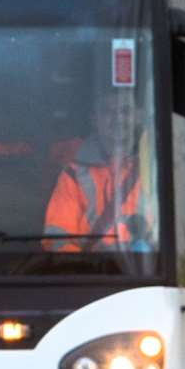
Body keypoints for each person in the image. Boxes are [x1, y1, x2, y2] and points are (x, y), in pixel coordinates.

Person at [43, 88, 151, 251]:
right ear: (94, 119)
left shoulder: (157, 167)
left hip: (151, 274)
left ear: (138, 116)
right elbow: (57, 239)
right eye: (108, 111)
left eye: (125, 110)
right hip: (91, 272)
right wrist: (84, 270)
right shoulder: (73, 175)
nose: (118, 119)